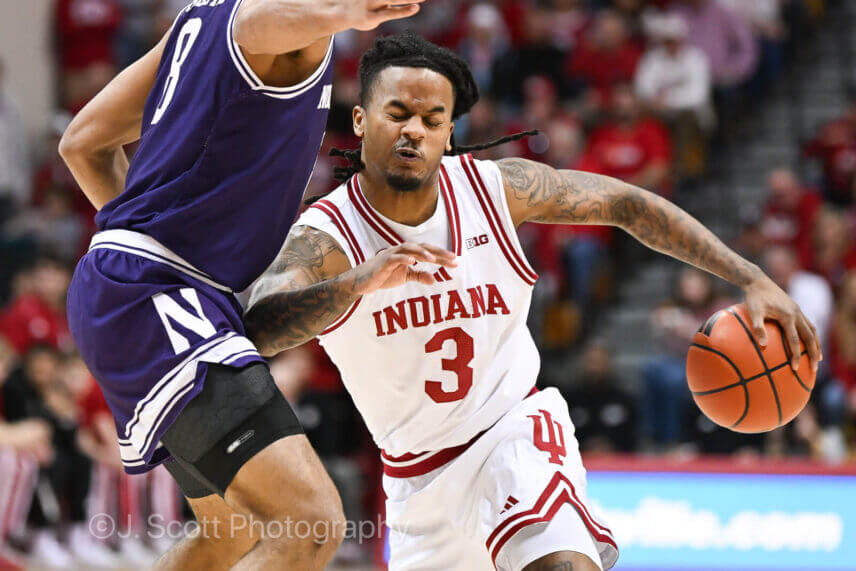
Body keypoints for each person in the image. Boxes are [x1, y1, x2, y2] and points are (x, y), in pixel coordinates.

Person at [245, 32, 821, 571]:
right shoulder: (326, 237)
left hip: (514, 435)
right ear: (361, 119)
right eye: (397, 114)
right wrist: (359, 284)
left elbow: (625, 203)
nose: (413, 131)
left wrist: (749, 276)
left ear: (449, 131)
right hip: (417, 485)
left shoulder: (494, 191)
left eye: (432, 118)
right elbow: (261, 328)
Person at [57, 1, 426, 568]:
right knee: (310, 523)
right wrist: (348, 11)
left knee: (236, 533)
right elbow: (260, 26)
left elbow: (81, 142)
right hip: (162, 294)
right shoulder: (273, 30)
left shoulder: (196, 22)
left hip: (144, 285)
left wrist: (149, 239)